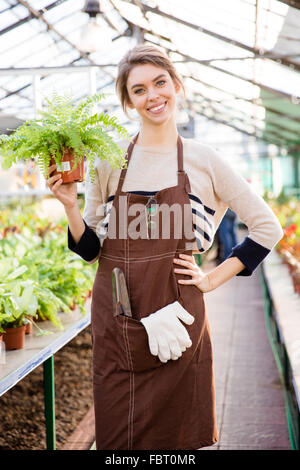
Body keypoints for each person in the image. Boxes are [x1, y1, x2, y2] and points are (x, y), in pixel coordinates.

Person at [46, 44, 284, 450]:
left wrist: (210, 280)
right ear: (127, 102)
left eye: (160, 83)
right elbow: (90, 248)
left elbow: (267, 228)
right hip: (116, 317)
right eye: (139, 90)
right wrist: (69, 208)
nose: (153, 96)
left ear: (177, 85)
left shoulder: (204, 159)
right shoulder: (109, 160)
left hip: (178, 317)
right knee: (118, 441)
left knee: (178, 441)